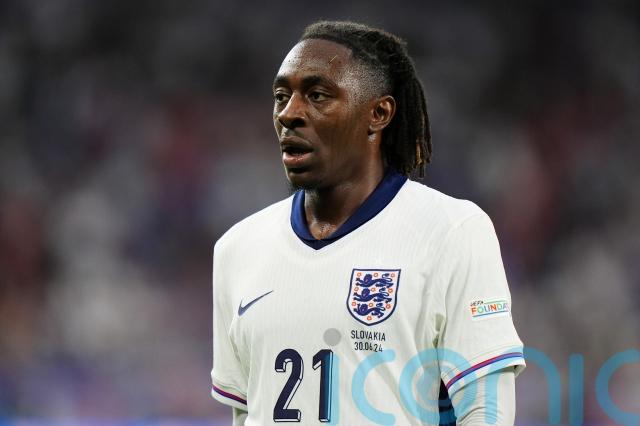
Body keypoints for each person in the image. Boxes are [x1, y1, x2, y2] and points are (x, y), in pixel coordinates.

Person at [211, 21, 525, 425]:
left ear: (378, 113)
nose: (289, 114)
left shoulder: (452, 231)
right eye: (281, 97)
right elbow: (245, 412)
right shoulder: (237, 249)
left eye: (317, 95)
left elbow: (486, 410)